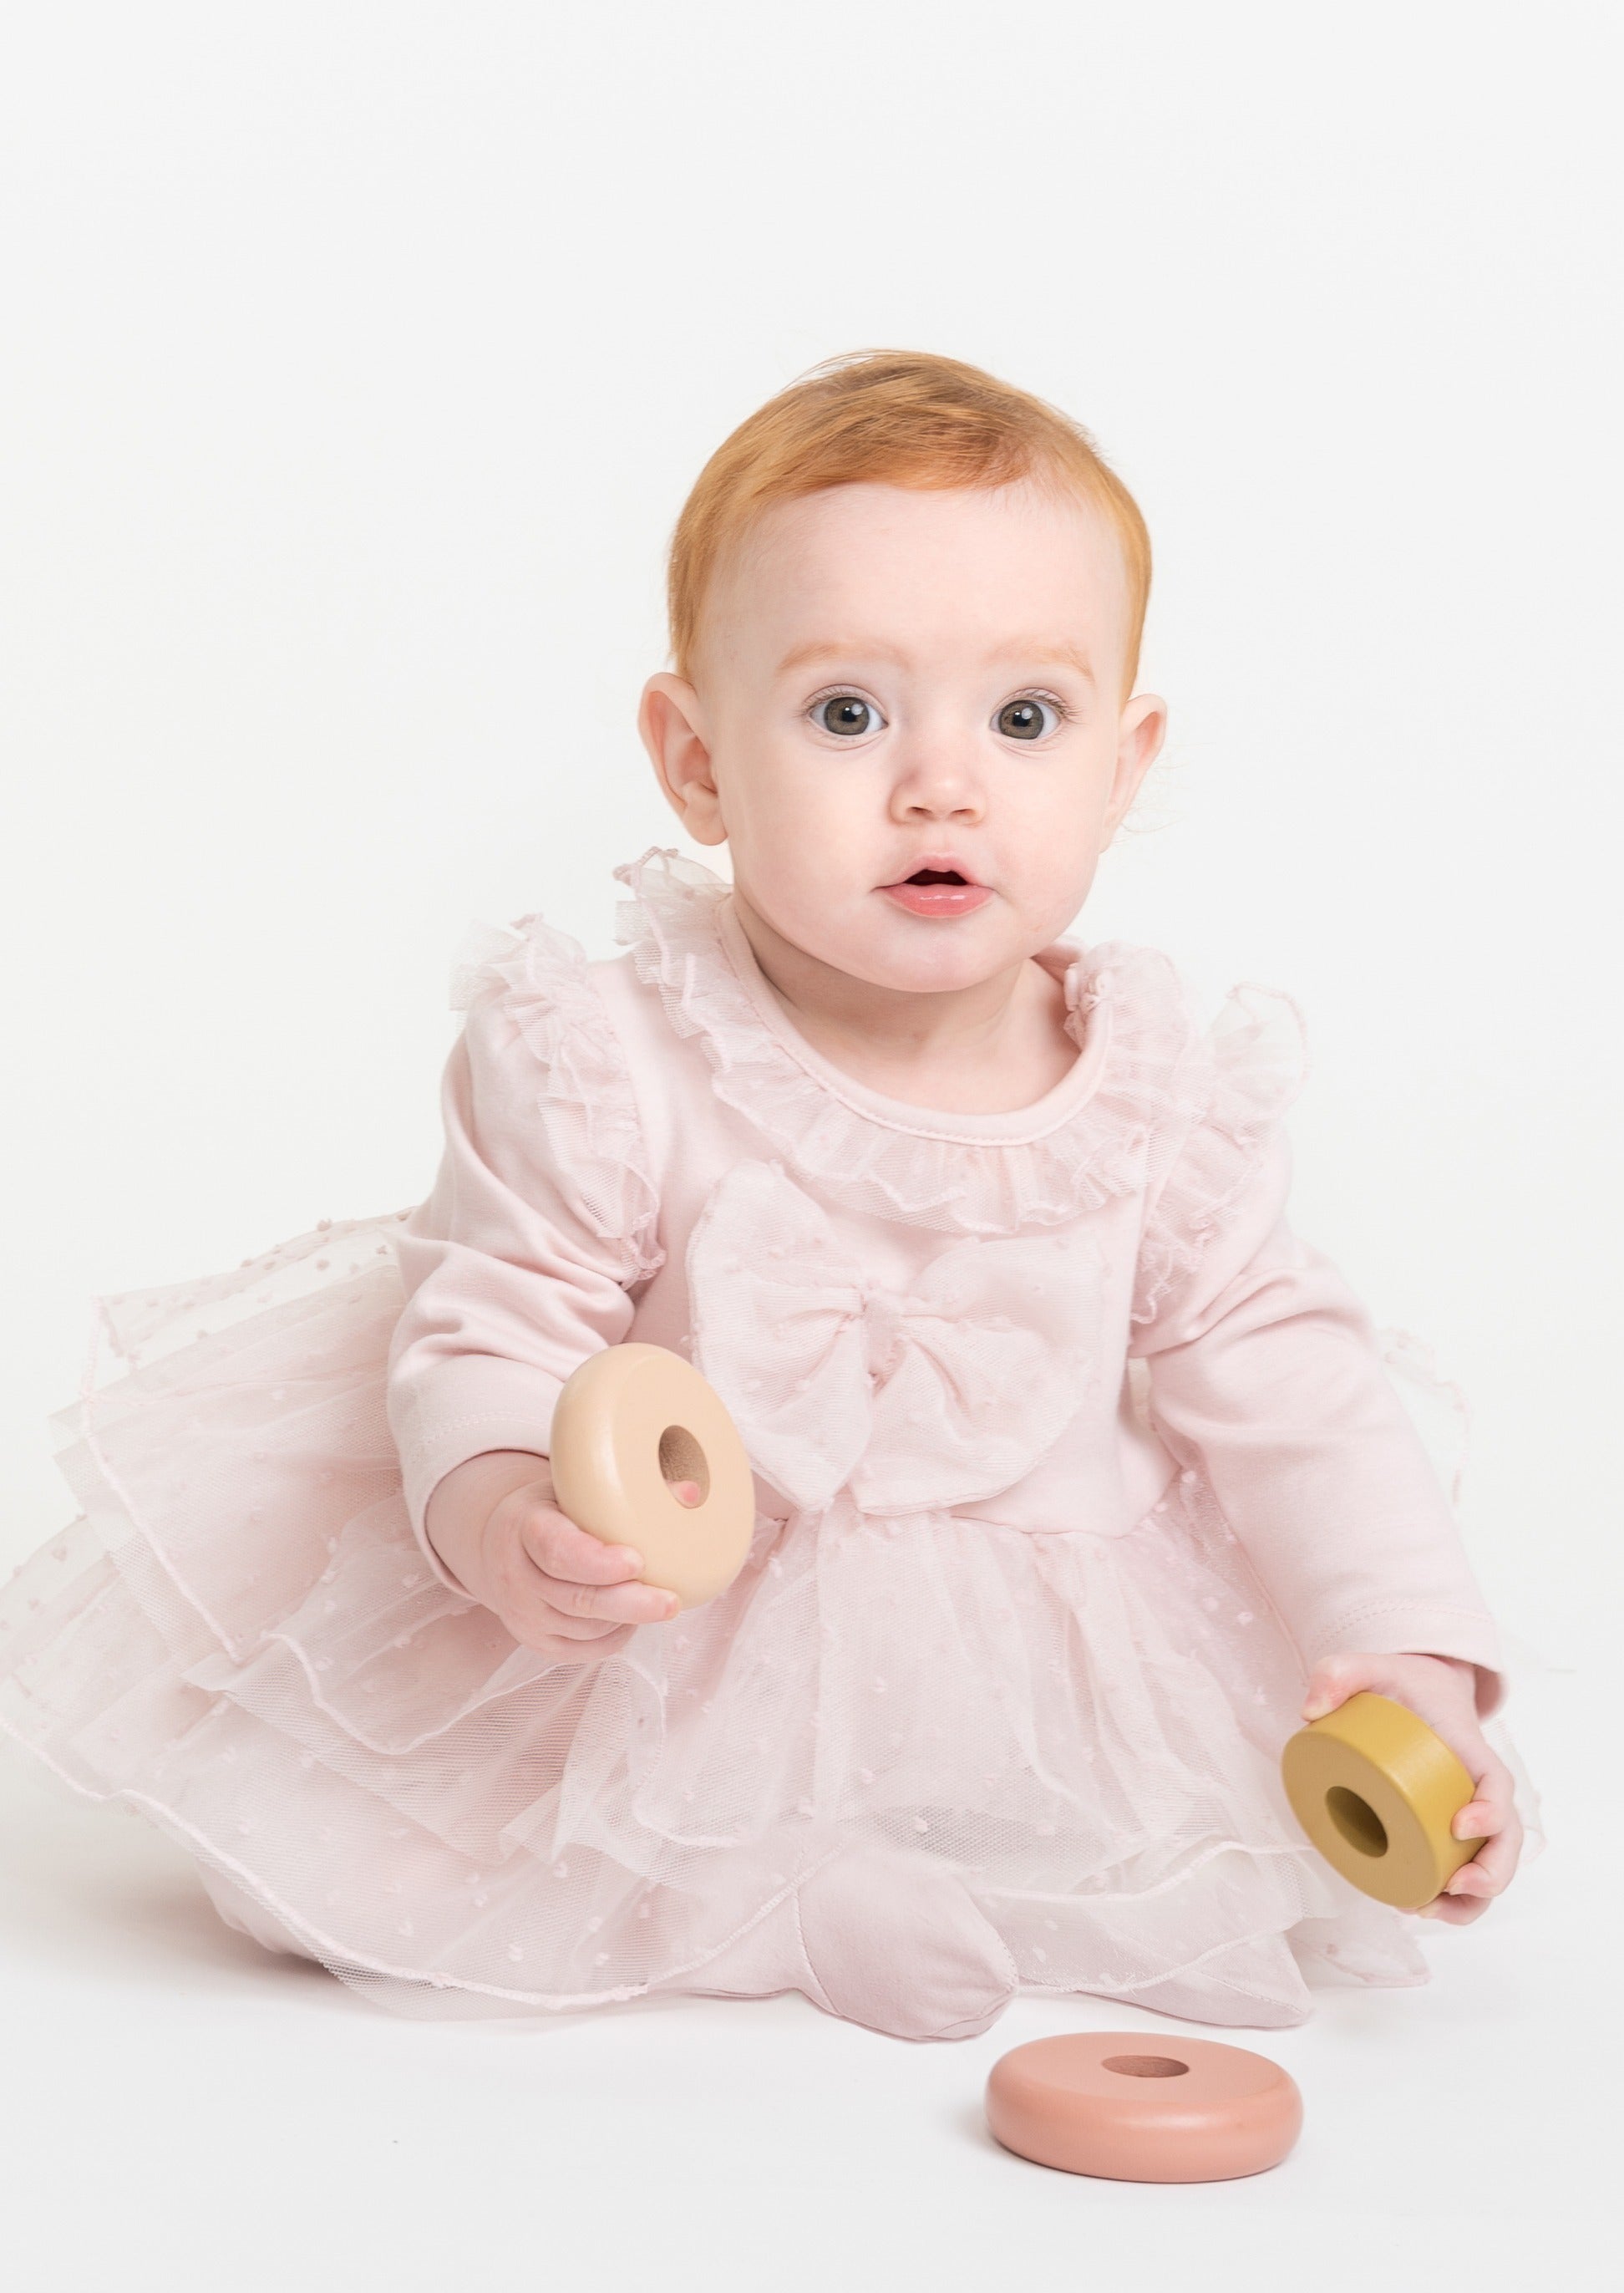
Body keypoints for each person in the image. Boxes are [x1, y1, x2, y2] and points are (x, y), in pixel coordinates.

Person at [0, 350, 1529, 2040]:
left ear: (1123, 758)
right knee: (341, 1857)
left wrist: (1415, 1671)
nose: (940, 784)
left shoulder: (1160, 1101)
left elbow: (1300, 1387)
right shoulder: (610, 1048)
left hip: (1028, 1637)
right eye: (847, 713)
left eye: (1026, 718)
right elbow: (493, 1320)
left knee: (1172, 1858)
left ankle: (912, 1872)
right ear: (698, 759)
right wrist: (509, 1511)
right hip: (691, 1628)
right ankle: (762, 1905)